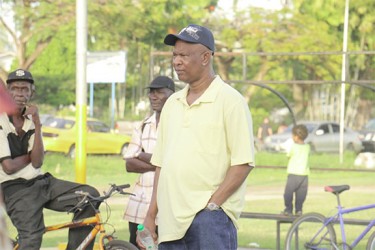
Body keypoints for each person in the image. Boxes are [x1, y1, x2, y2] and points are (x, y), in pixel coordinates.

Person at [139, 24, 255, 250]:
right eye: (174, 55)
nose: (176, 61)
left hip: (209, 221)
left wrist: (212, 207)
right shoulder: (172, 103)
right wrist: (151, 216)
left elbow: (243, 163)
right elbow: (161, 165)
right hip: (171, 224)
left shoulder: (230, 100)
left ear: (205, 57)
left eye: (183, 55)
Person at [0, 69, 100, 250]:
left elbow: (37, 162)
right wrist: (29, 156)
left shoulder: (31, 122)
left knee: (89, 196)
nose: (20, 94)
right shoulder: (0, 121)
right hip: (15, 190)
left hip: (42, 183)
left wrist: (37, 123)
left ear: (32, 93)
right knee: (31, 239)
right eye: (14, 89)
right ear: (7, 93)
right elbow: (8, 166)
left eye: (25, 89)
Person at [123, 76, 175, 248]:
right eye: (151, 92)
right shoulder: (143, 125)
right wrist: (161, 162)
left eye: (159, 92)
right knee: (137, 246)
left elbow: (177, 164)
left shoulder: (179, 125)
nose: (154, 96)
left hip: (167, 208)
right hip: (138, 207)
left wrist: (144, 156)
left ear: (172, 94)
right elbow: (129, 164)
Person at [282, 124, 310, 216]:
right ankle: (299, 210)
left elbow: (288, 155)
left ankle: (288, 209)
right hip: (304, 175)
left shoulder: (293, 146)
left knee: (288, 193)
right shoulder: (307, 147)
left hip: (293, 174)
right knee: (301, 194)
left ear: (296, 137)